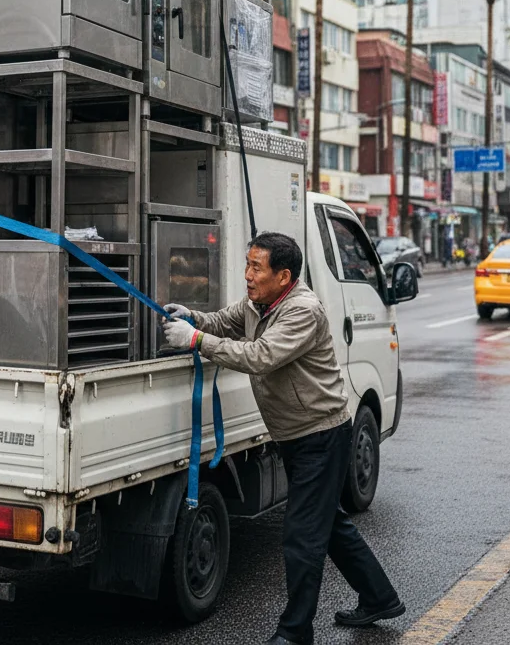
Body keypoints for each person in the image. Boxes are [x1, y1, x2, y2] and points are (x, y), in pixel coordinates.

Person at [162, 231, 403, 645]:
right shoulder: (260, 301)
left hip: (321, 434)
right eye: (248, 264)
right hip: (295, 434)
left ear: (284, 275)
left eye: (257, 267)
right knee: (329, 527)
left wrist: (197, 342)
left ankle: (294, 633)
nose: (248, 275)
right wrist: (195, 318)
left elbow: (261, 356)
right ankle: (380, 597)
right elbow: (226, 321)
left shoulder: (302, 310)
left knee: (302, 536)